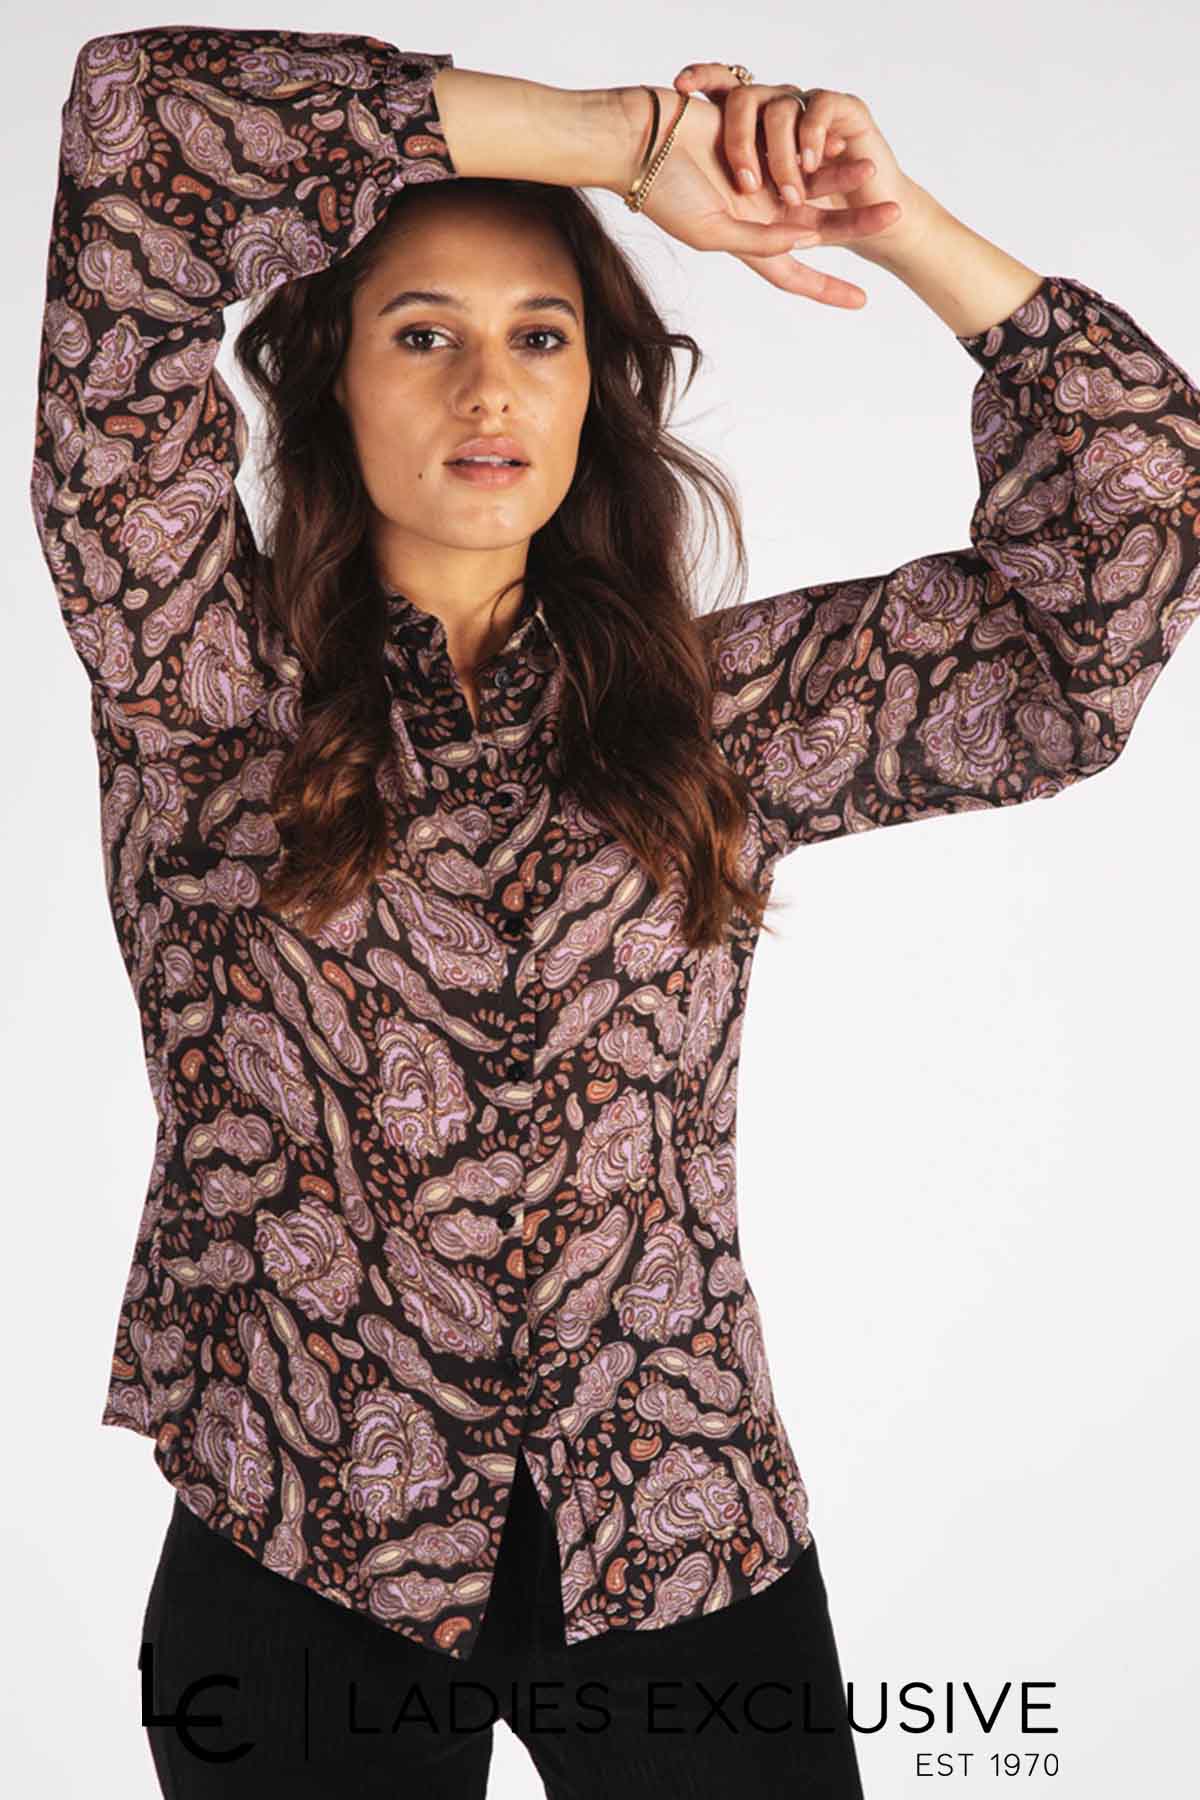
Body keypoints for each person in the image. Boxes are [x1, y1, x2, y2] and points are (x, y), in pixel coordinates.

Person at [31, 24, 1199, 1800]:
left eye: (541, 337)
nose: (487, 390)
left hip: (683, 1535)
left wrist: (891, 223)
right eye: (422, 333)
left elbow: (1116, 565)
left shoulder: (720, 717)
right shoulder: (196, 676)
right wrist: (631, 145)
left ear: (599, 391)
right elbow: (141, 123)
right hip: (298, 1547)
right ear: (328, 381)